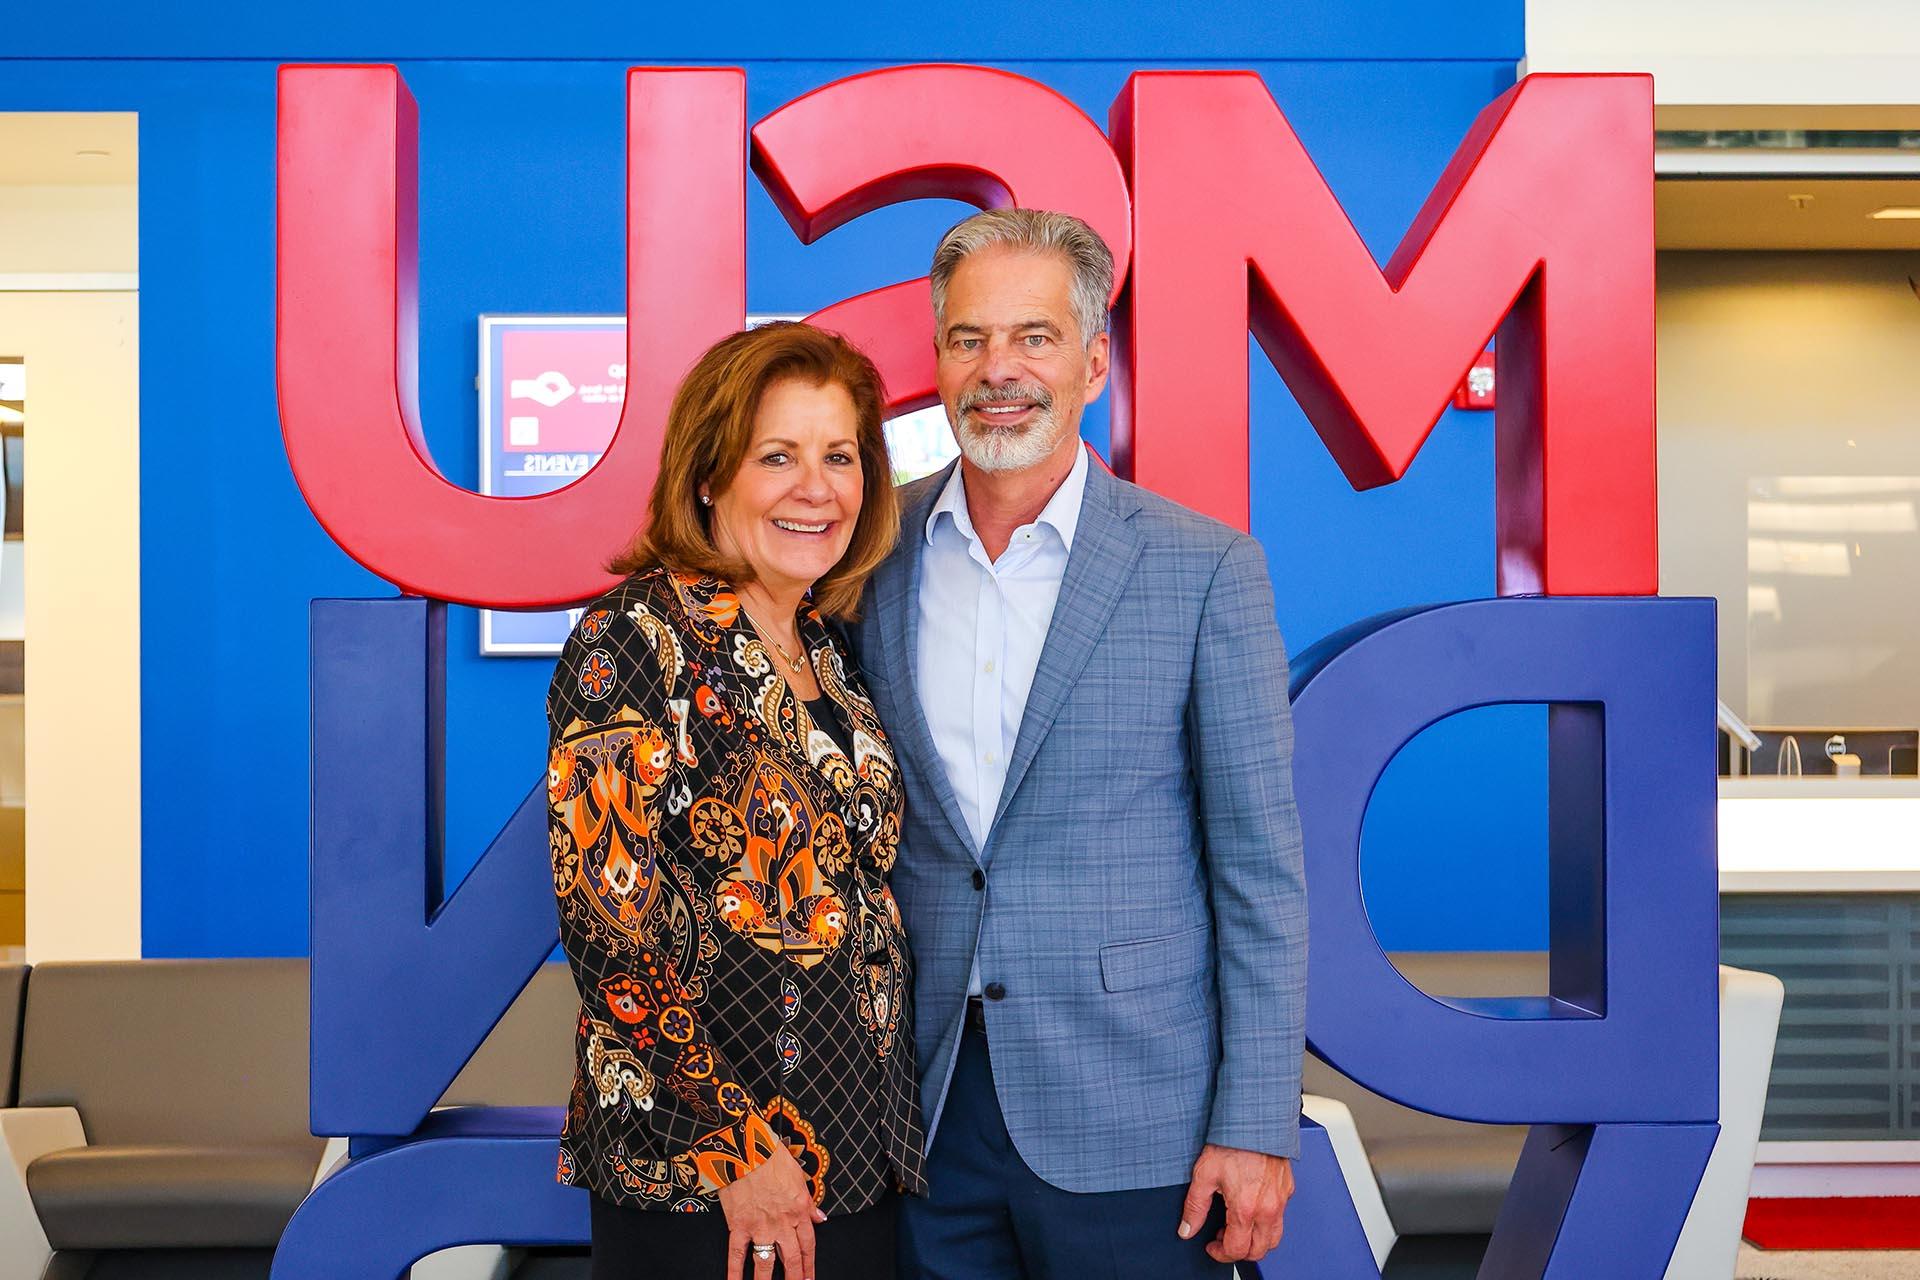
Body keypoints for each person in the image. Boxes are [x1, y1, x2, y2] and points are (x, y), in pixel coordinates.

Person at [853, 209, 1307, 1279]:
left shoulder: (1204, 570)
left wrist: (1256, 1125)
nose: (998, 368)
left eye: (1034, 336)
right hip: (918, 1112)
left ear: (1094, 360)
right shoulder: (870, 555)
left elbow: (1261, 875)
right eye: (969, 339)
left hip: (1137, 1114)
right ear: (938, 360)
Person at [546, 321, 924, 1280]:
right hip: (708, 1182)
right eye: (778, 456)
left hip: (852, 1156)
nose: (817, 487)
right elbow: (608, 930)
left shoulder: (830, 655)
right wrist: (736, 1150)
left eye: (840, 456)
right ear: (709, 476)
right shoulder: (634, 641)